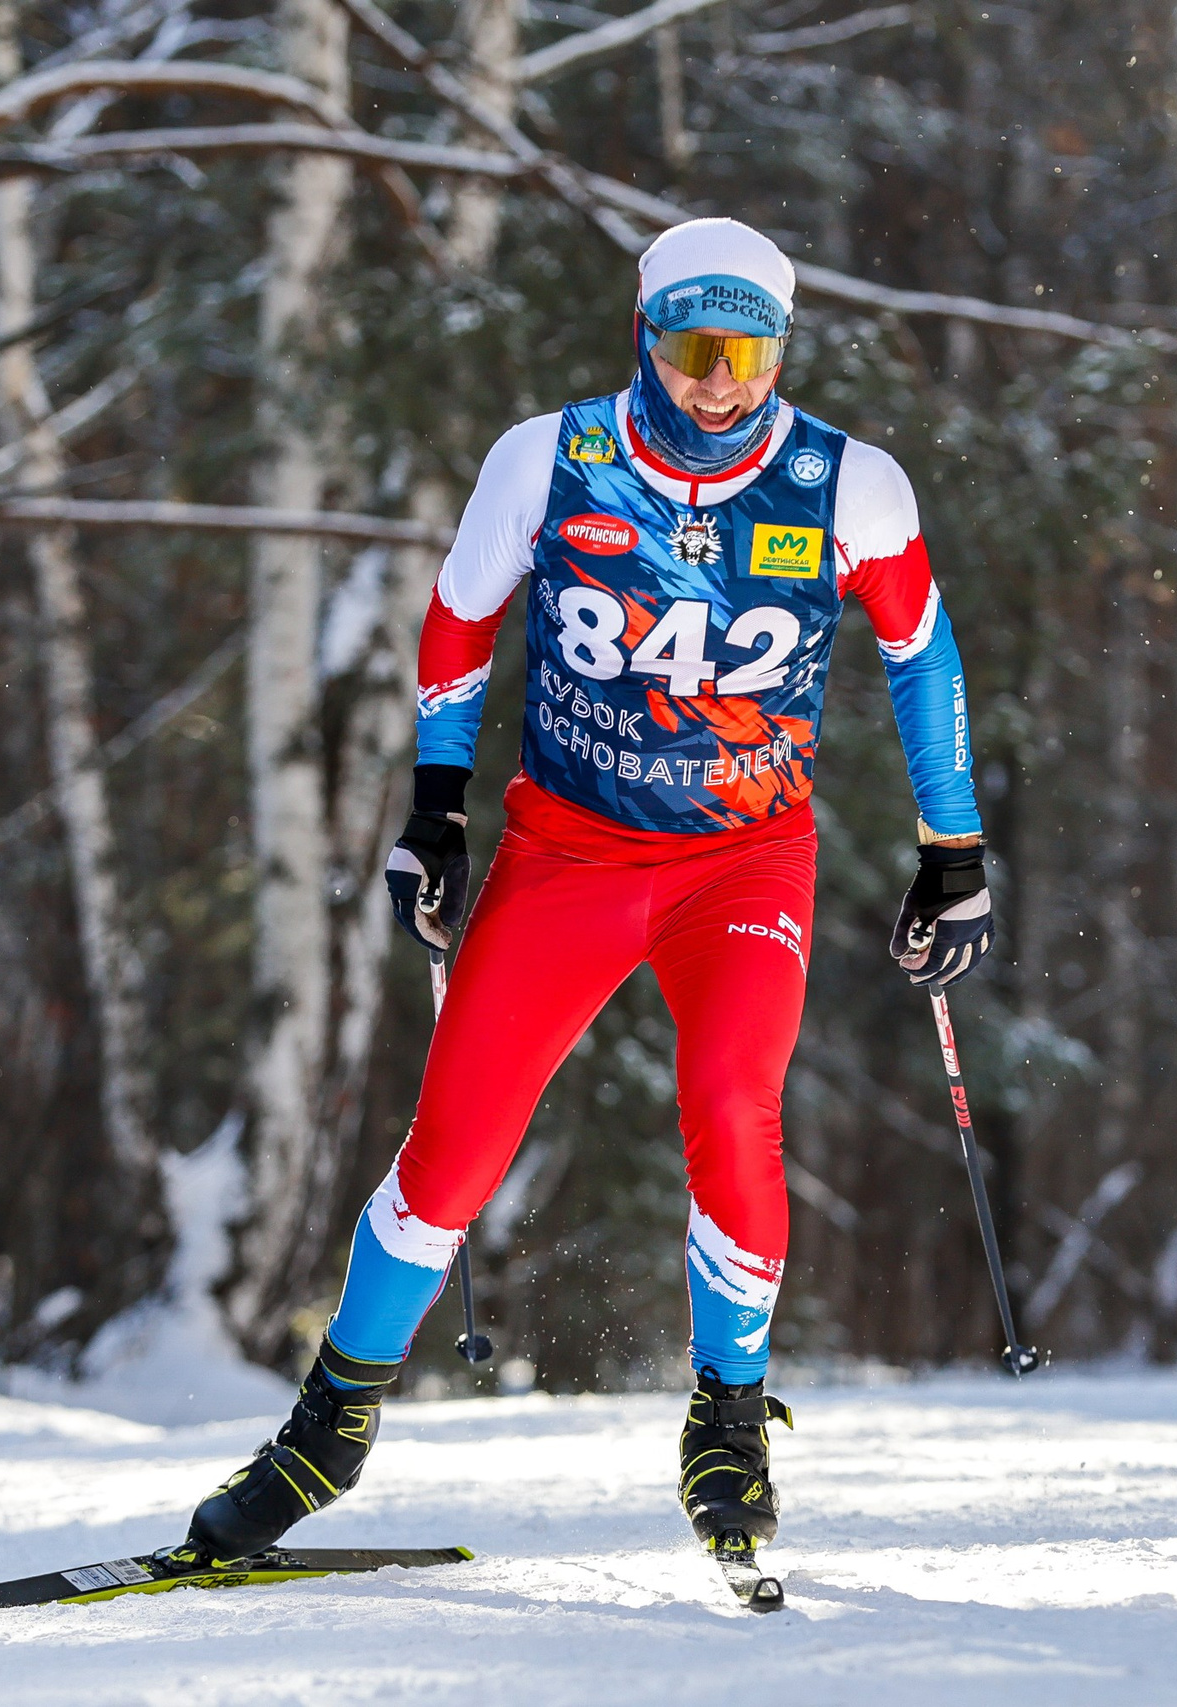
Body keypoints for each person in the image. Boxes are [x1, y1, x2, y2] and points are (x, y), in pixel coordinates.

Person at [184, 217, 993, 1565]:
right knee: (454, 1147)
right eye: (693, 347)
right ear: (647, 337)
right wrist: (435, 810)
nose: (720, 381)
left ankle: (725, 1419)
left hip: (743, 860)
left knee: (733, 1099)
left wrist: (951, 850)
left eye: (749, 352)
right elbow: (458, 621)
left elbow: (922, 653)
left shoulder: (847, 483)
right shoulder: (550, 458)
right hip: (568, 853)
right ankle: (329, 1429)